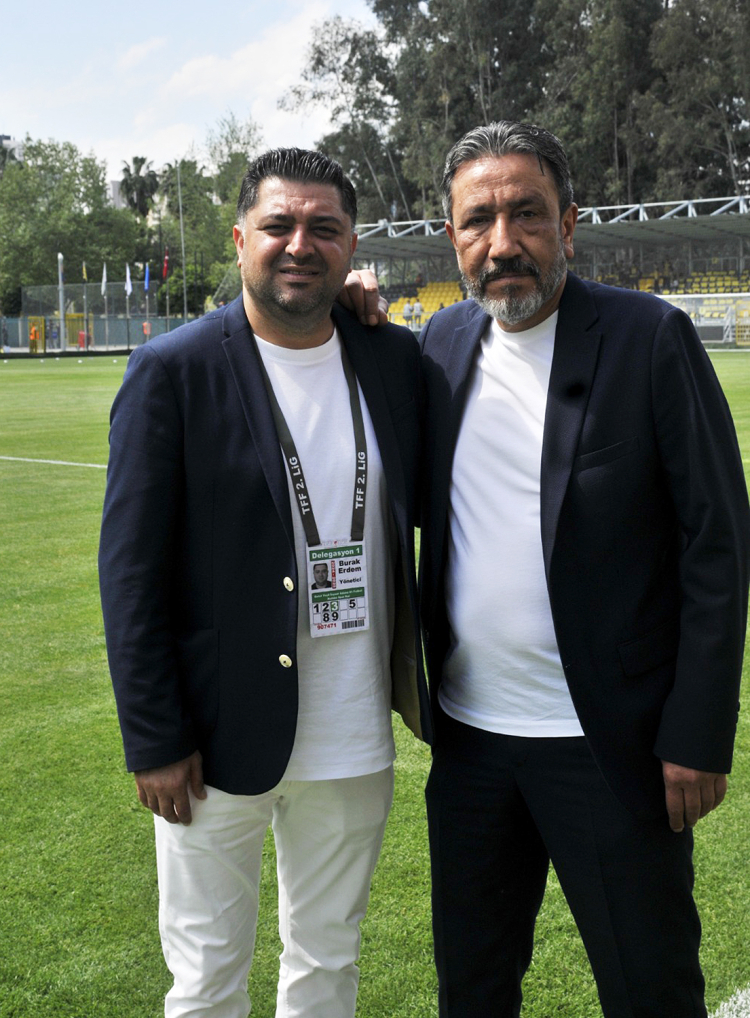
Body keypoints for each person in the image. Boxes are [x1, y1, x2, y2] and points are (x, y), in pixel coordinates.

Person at [417, 121, 750, 1017]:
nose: (503, 242)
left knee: (651, 992)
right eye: (478, 220)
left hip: (611, 748)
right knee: (472, 992)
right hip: (472, 746)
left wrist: (698, 732)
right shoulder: (439, 345)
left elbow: (717, 543)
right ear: (453, 238)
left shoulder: (649, 338)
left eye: (527, 213)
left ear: (569, 223)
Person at [99, 147, 432, 1018]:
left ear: (352, 246)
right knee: (207, 980)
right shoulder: (173, 371)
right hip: (214, 742)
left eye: (324, 228)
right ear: (240, 237)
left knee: (328, 963)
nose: (300, 244)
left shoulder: (391, 359)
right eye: (279, 225)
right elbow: (130, 572)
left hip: (352, 731)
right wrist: (154, 738)